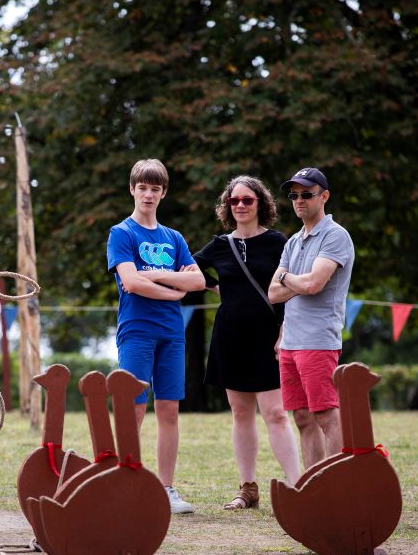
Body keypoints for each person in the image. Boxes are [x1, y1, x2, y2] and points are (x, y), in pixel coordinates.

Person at [193, 176, 301, 509]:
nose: (240, 205)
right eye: (234, 201)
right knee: (241, 414)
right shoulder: (220, 245)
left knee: (276, 414)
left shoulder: (277, 243)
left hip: (269, 336)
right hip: (230, 336)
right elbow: (190, 266)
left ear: (260, 204)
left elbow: (292, 290)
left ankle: (297, 486)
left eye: (247, 200)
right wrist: (213, 287)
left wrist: (285, 330)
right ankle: (247, 488)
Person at [106, 158, 206, 514]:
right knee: (133, 410)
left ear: (163, 193)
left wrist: (156, 279)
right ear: (132, 189)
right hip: (136, 331)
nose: (148, 194)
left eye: (155, 189)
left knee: (169, 410)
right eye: (143, 188)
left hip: (171, 334)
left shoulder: (174, 237)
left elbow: (198, 281)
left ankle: (166, 488)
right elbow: (130, 282)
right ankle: (127, 482)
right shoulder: (122, 233)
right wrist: (172, 288)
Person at [268, 167, 355, 470]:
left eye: (307, 194)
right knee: (303, 418)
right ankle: (314, 485)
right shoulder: (293, 241)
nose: (299, 200)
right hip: (290, 342)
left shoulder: (336, 235)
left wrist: (286, 277)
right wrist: (294, 282)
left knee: (325, 415)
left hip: (318, 340)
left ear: (324, 196)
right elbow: (272, 294)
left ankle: (338, 485)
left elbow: (313, 285)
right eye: (294, 195)